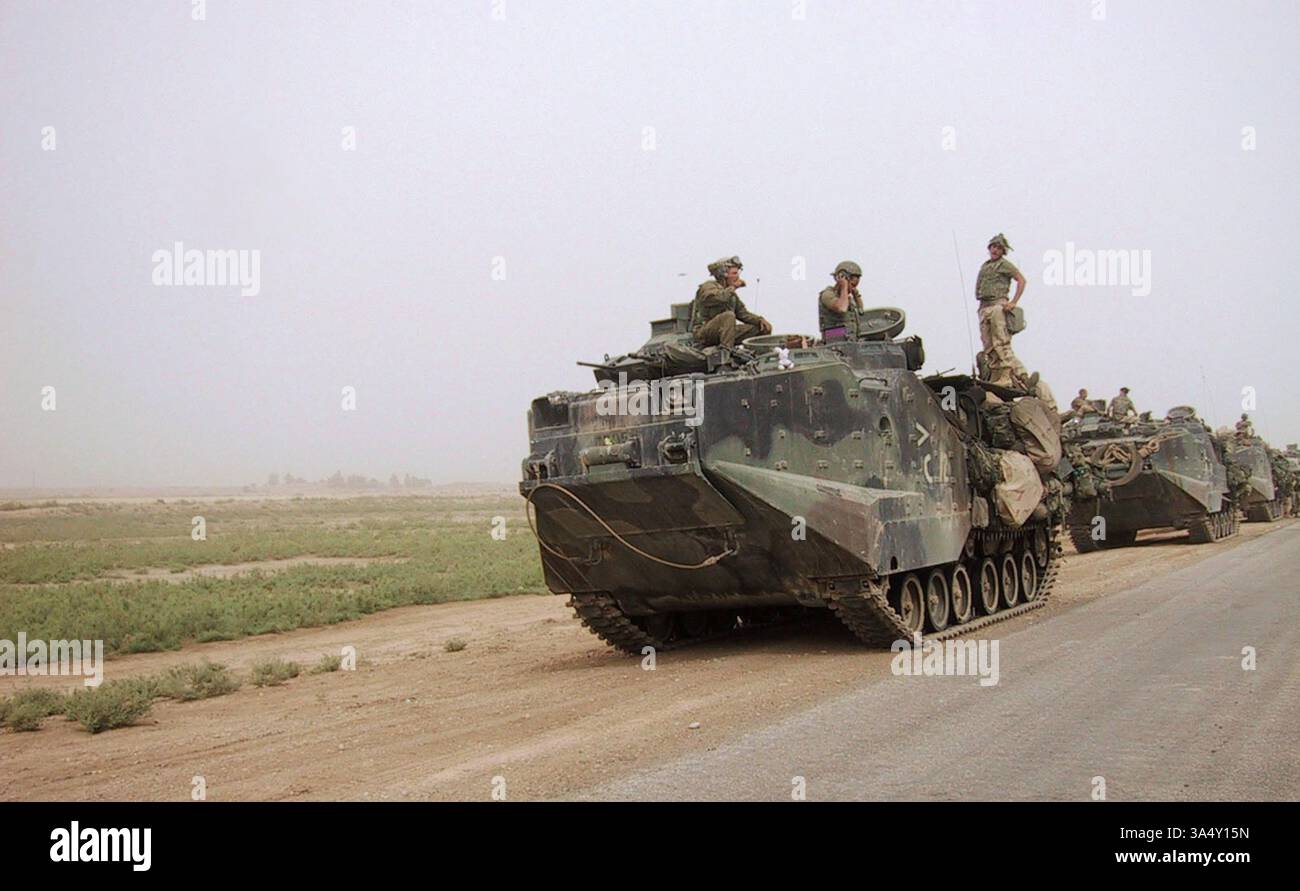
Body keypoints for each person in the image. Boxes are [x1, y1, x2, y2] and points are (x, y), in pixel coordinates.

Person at [974, 233, 1027, 386]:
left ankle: (1008, 376)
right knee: (988, 345)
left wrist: (1013, 302)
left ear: (1003, 251)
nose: (995, 250)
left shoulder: (1004, 264)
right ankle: (998, 375)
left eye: (999, 248)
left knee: (1001, 342)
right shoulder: (986, 266)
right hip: (984, 306)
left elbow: (1021, 280)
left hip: (998, 305)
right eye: (993, 246)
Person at [690, 255, 771, 349]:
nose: (737, 276)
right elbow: (718, 298)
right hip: (704, 333)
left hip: (724, 332)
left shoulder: (730, 294)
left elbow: (743, 314)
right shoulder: (708, 286)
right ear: (723, 274)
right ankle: (726, 352)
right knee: (728, 316)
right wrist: (734, 287)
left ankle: (758, 357)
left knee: (759, 328)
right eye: (734, 273)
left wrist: (760, 320)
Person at [818, 261, 864, 341]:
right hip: (833, 339)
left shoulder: (847, 299)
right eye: (852, 285)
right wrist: (844, 286)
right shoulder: (828, 294)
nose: (853, 288)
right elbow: (841, 308)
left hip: (850, 341)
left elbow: (861, 311)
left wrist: (857, 296)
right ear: (842, 277)